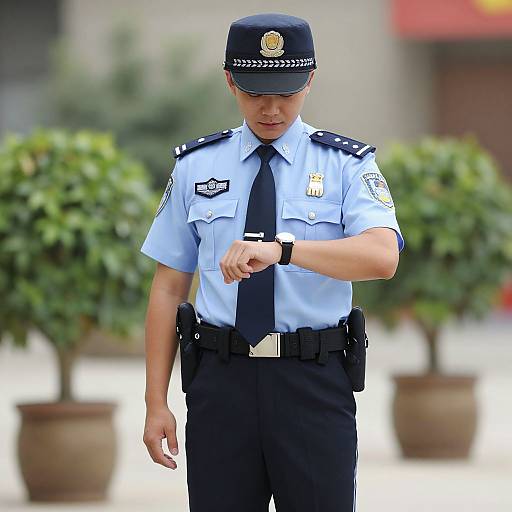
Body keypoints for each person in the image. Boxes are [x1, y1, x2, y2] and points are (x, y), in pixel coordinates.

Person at [141, 12, 405, 512]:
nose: (271, 108)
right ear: (229, 81)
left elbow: (382, 255)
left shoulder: (346, 166)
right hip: (220, 381)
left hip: (312, 380)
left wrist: (284, 250)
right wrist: (156, 402)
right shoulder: (196, 166)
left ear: (309, 79)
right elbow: (168, 288)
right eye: (255, 92)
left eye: (286, 92)